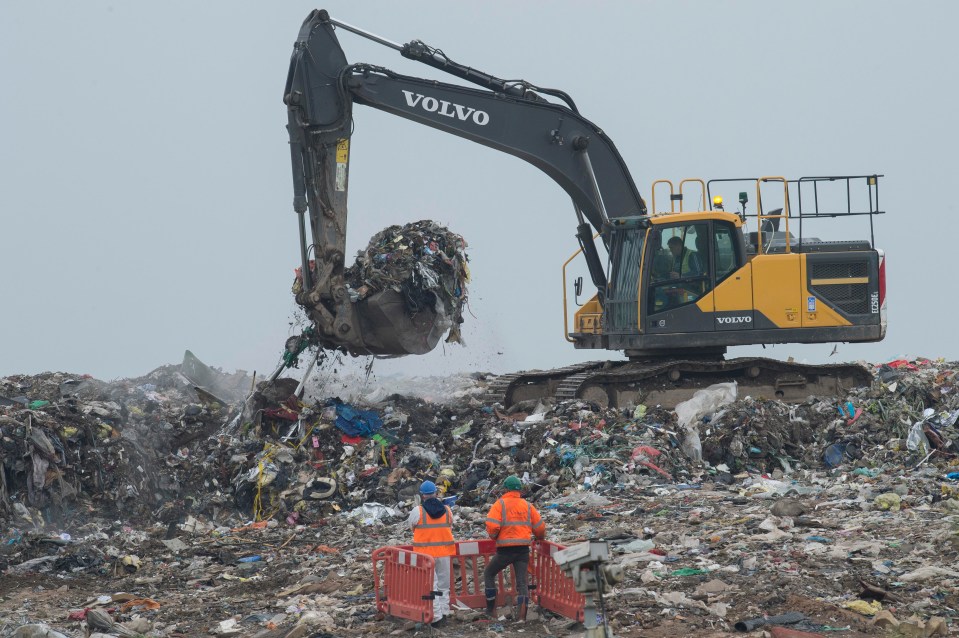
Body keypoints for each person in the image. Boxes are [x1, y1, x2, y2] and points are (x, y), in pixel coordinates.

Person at [483, 475, 546, 621]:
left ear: (506, 489)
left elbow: (492, 526)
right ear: (520, 490)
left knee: (488, 573)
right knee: (522, 582)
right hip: (523, 550)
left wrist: (494, 536)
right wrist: (540, 537)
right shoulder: (528, 506)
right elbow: (540, 527)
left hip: (505, 550)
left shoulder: (500, 505)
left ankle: (491, 610)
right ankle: (522, 616)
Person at [408, 480, 455, 627]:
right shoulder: (447, 510)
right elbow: (450, 525)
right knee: (443, 586)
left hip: (425, 556)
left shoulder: (418, 511)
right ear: (436, 493)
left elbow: (411, 526)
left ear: (422, 496)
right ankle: (445, 613)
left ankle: (436, 618)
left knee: (431, 587)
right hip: (444, 554)